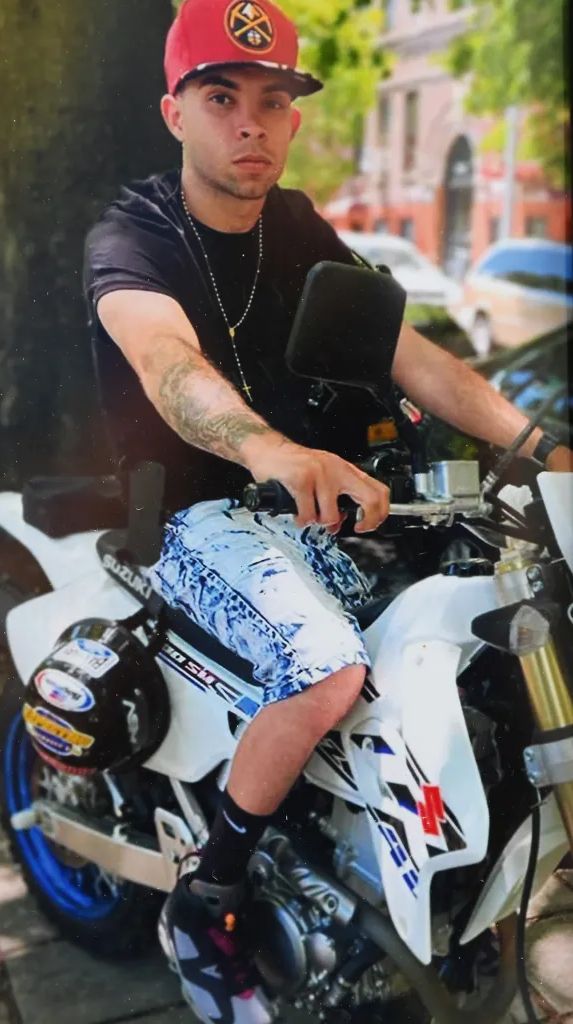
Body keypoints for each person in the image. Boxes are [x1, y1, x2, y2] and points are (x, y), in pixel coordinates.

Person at [84, 1, 573, 1020]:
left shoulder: (298, 226)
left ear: (295, 119)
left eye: (271, 100)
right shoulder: (131, 232)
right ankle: (206, 899)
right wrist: (269, 447)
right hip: (194, 513)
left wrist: (533, 445)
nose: (249, 123)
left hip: (316, 507)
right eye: (220, 98)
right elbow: (168, 365)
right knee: (327, 669)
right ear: (172, 112)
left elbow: (412, 355)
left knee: (468, 619)